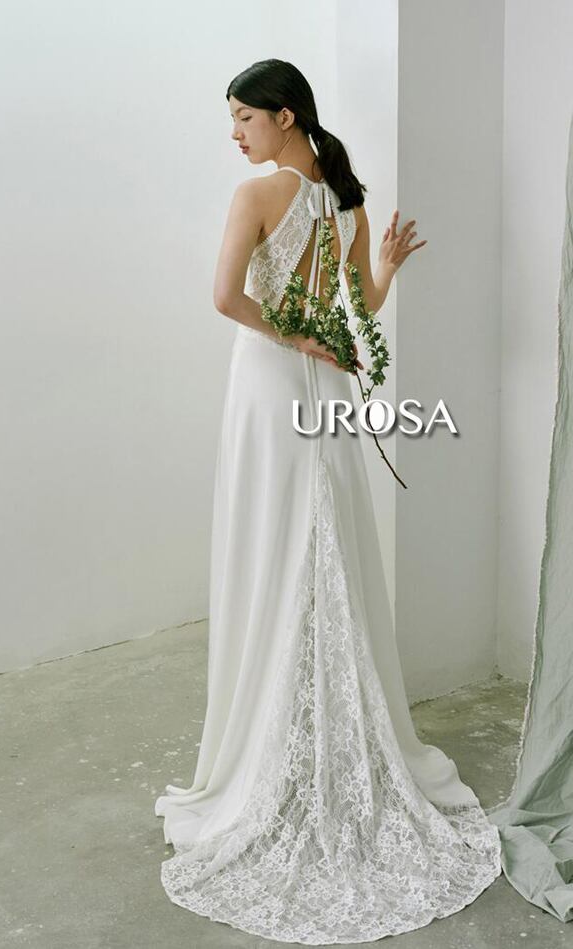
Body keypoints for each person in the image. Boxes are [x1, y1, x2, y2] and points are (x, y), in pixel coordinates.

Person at [154, 58, 502, 944]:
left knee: (275, 546)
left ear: (285, 115)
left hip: (274, 387)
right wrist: (371, 280)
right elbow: (357, 316)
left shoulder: (262, 195)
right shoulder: (343, 198)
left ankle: (276, 746)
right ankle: (313, 734)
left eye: (243, 117)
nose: (235, 133)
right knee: (321, 545)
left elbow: (228, 298)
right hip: (323, 391)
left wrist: (312, 325)